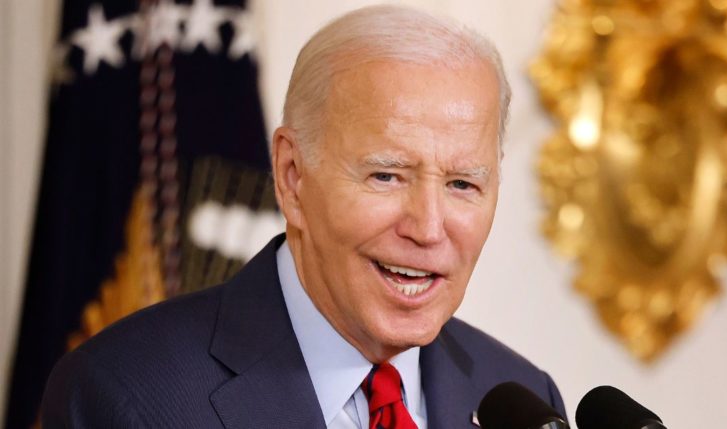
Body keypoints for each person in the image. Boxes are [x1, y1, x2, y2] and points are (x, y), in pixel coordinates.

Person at [42, 5, 565, 428]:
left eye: (462, 184)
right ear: (292, 176)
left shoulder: (520, 401)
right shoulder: (124, 395)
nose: (428, 229)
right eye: (387, 176)